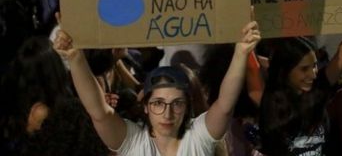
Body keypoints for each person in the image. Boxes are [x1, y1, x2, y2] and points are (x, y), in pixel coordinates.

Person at [54, 16, 261, 156]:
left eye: (176, 103)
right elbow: (99, 111)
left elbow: (225, 104)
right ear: (145, 105)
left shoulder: (197, 137)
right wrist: (75, 58)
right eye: (158, 103)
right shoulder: (133, 141)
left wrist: (242, 52)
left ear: (187, 106)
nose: (167, 113)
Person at [258, 0, 342, 155]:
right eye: (304, 69)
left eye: (314, 66)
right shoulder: (269, 103)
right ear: (285, 71)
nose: (313, 74)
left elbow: (341, 58)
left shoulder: (318, 88)